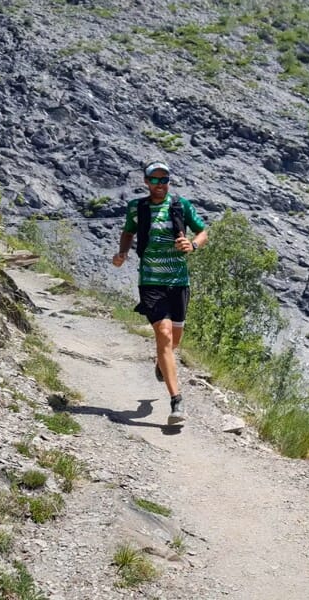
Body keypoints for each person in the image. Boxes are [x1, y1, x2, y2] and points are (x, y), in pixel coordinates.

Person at [112, 160, 208, 425]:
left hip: (178, 281)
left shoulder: (181, 205)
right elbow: (128, 232)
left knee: (174, 341)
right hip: (151, 281)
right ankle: (177, 401)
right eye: (153, 180)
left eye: (163, 180)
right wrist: (122, 253)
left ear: (169, 181)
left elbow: (202, 231)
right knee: (164, 335)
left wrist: (193, 245)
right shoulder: (137, 207)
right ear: (145, 182)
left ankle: (162, 364)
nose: (158, 185)